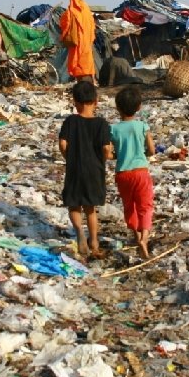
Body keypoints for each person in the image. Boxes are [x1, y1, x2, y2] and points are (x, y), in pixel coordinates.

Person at [58, 81, 113, 259]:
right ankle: (94, 241)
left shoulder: (70, 121)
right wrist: (102, 160)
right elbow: (106, 149)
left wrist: (69, 158)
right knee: (90, 208)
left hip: (75, 168)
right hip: (94, 171)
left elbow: (62, 144)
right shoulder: (101, 124)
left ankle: (80, 233)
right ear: (96, 101)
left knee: (74, 204)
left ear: (75, 101)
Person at [110, 86, 156, 259]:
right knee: (145, 206)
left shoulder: (113, 130)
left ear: (118, 108)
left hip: (123, 174)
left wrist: (119, 154)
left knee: (130, 206)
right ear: (139, 107)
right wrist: (142, 152)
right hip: (141, 172)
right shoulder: (142, 126)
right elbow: (151, 150)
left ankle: (136, 236)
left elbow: (107, 153)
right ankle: (144, 237)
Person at [60, 0, 97, 84]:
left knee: (77, 61)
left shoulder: (71, 12)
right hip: (87, 42)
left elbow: (64, 22)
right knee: (87, 61)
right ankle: (91, 80)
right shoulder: (88, 13)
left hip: (77, 42)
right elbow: (93, 27)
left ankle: (80, 81)